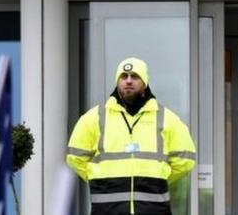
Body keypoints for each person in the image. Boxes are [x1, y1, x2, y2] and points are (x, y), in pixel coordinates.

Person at [66, 57, 196, 215]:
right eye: (124, 76)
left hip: (153, 210)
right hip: (107, 211)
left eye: (135, 76)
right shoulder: (94, 117)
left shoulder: (167, 118)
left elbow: (186, 160)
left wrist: (160, 177)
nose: (128, 81)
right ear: (117, 81)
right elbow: (75, 157)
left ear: (145, 82)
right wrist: (97, 178)